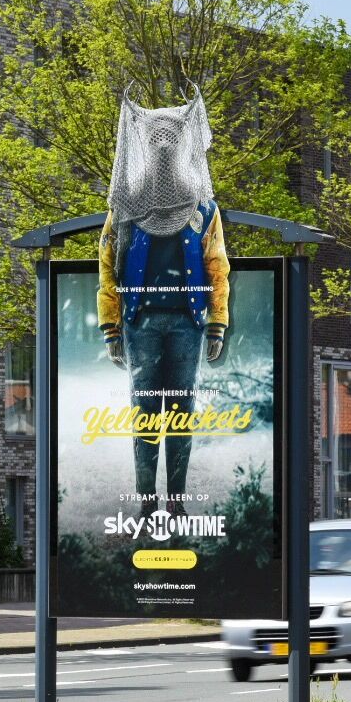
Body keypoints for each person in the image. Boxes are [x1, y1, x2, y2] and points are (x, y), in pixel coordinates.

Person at [97, 88, 230, 517]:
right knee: (145, 414)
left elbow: (217, 267)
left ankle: (175, 500)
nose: (163, 147)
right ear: (144, 144)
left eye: (170, 139)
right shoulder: (124, 208)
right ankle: (145, 501)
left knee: (181, 413)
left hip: (188, 325)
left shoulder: (204, 209)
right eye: (157, 139)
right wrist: (112, 327)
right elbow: (107, 267)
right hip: (140, 324)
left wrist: (217, 322)